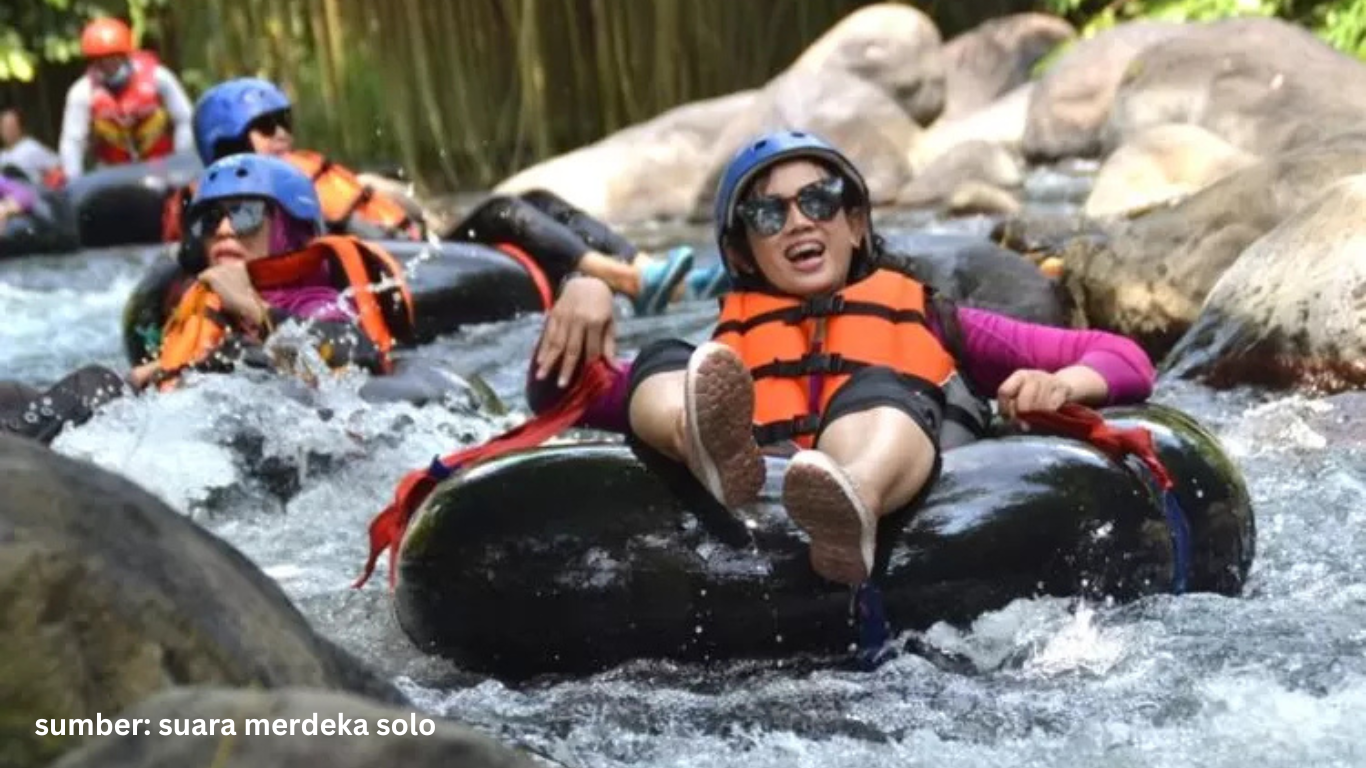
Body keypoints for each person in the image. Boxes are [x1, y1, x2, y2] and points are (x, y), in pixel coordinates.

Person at [526, 130, 1157, 587]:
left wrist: (1061, 384)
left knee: (877, 388)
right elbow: (561, 392)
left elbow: (1127, 358)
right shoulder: (724, 354)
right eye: (768, 213)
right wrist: (585, 290)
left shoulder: (934, 319)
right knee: (666, 358)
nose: (799, 221)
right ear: (742, 254)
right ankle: (701, 441)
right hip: (758, 515)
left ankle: (853, 499)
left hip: (896, 516)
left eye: (820, 200)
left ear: (855, 225)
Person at [173, 77, 725, 315]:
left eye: (283, 121)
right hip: (409, 269)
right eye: (265, 127)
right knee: (504, 211)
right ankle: (630, 281)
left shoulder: (299, 176)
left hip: (425, 248)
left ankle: (652, 272)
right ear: (227, 141)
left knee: (537, 196)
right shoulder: (241, 210)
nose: (281, 134)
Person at [0, 153, 414, 444]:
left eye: (247, 214)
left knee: (94, 382)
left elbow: (355, 354)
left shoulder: (317, 302)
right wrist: (152, 374)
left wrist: (252, 307)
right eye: (211, 219)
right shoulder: (198, 300)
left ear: (290, 228)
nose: (225, 230)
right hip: (175, 438)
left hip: (262, 447)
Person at [57, 17, 194, 181]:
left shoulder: (159, 77)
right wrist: (74, 181)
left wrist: (180, 161)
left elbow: (185, 119)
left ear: (126, 55)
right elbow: (72, 140)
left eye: (113, 56)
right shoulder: (81, 92)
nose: (107, 64)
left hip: (161, 166)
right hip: (113, 173)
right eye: (100, 59)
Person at [0, 107, 62, 185]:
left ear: (20, 127)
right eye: (5, 127)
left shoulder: (31, 147)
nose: (8, 131)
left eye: (11, 126)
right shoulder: (2, 155)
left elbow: (56, 168)